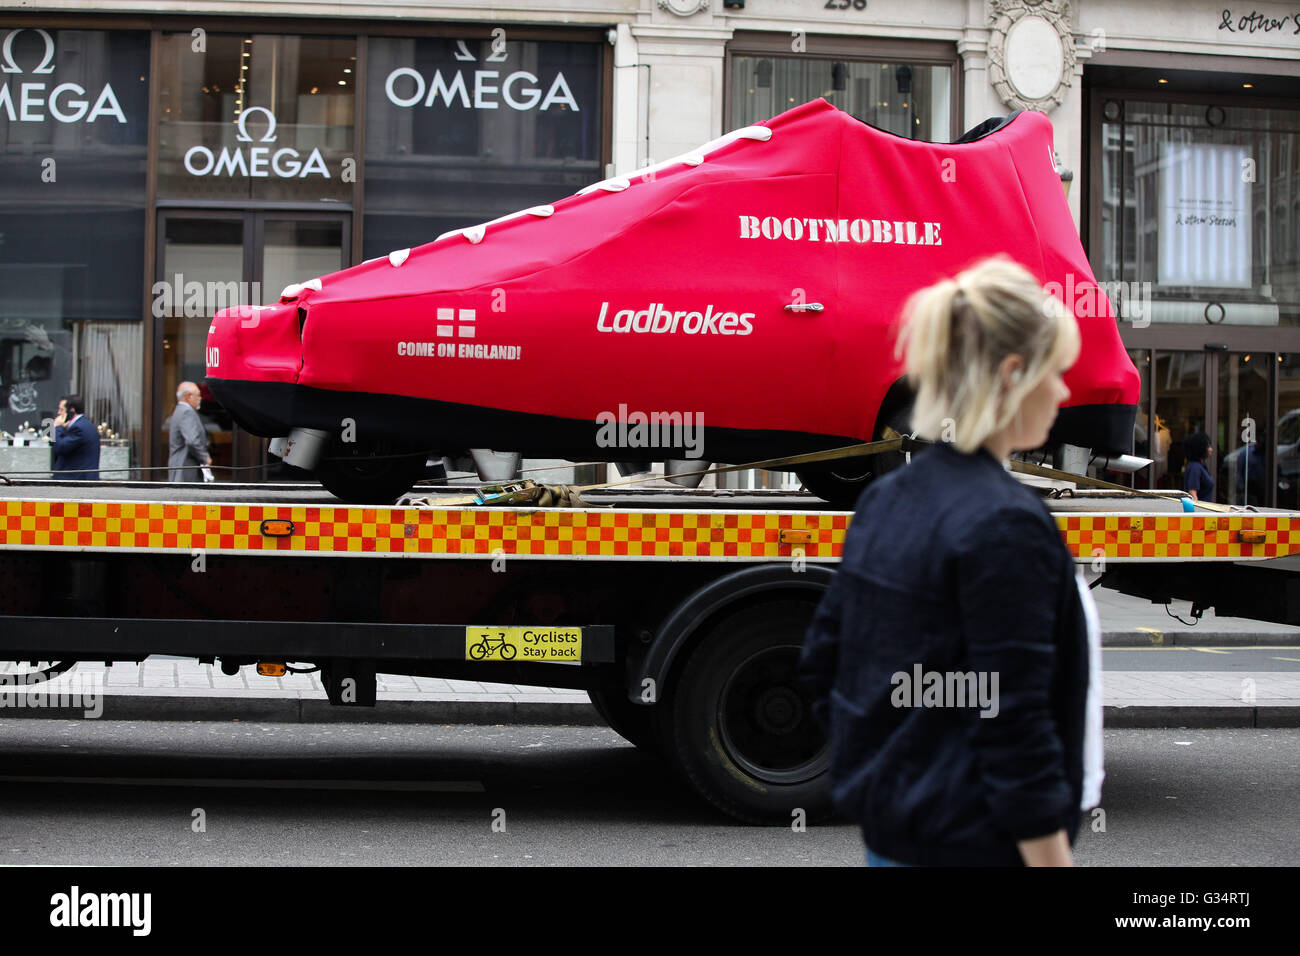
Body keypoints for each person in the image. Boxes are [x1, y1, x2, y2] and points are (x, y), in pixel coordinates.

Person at [799, 256, 1102, 867]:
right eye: (1057, 372)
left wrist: (887, 780)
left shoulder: (885, 500)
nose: (1065, 392)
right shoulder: (1006, 524)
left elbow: (823, 663)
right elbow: (1015, 721)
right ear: (1014, 373)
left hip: (896, 837)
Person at [168, 382, 211, 482]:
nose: (200, 398)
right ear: (188, 396)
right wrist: (205, 457)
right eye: (198, 395)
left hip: (181, 466)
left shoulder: (179, 410)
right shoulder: (186, 412)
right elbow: (192, 441)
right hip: (186, 468)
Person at [51, 394, 100, 480]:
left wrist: (57, 427)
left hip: (77, 480)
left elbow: (60, 447)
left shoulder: (79, 428)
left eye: (61, 409)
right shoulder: (81, 424)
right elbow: (54, 443)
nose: (58, 413)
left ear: (71, 411)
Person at [1182, 431, 1214, 503]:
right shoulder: (1195, 467)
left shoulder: (1200, 465)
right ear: (1199, 448)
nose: (1211, 450)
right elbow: (1192, 493)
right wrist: (1197, 512)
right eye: (1208, 446)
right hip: (1201, 510)